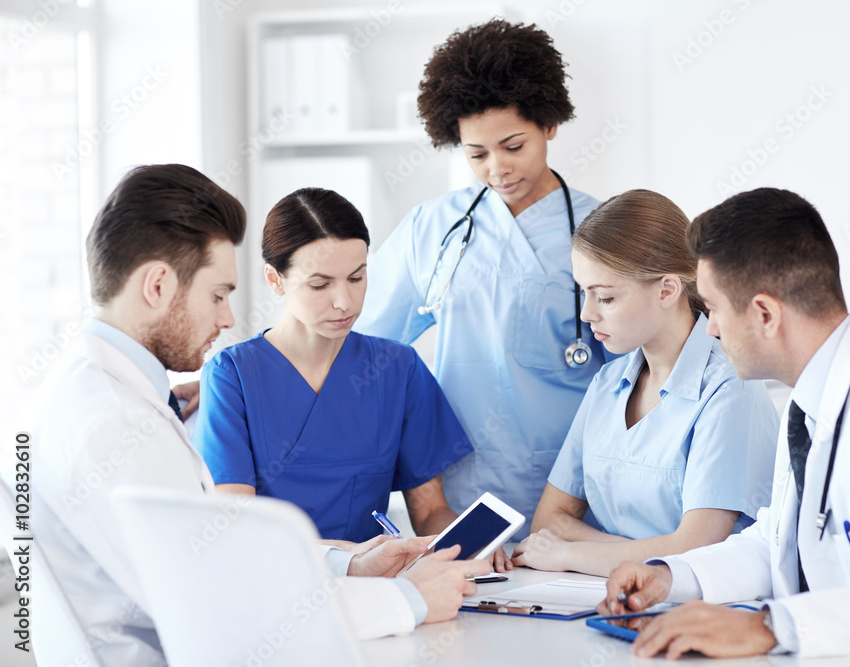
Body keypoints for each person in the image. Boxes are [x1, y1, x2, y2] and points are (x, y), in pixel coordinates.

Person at [12, 165, 489, 666]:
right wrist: (406, 600)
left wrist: (350, 561)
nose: (226, 319)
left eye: (356, 277)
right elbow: (219, 603)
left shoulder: (85, 393)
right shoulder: (116, 425)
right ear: (157, 285)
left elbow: (221, 564)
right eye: (218, 295)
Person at [599, 187, 850, 659]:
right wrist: (670, 576)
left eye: (714, 308)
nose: (710, 327)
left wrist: (771, 627)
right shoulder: (810, 398)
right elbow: (780, 544)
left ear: (765, 313)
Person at [353, 19, 612, 538]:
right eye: (476, 154)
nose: (498, 168)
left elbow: (640, 376)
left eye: (513, 145)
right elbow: (356, 334)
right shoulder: (433, 228)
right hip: (460, 493)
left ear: (549, 125)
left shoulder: (602, 231)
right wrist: (257, 373)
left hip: (575, 489)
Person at [191, 187, 508, 570]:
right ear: (275, 280)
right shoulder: (232, 376)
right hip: (271, 582)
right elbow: (236, 525)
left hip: (378, 588)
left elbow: (430, 513)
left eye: (356, 277)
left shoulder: (397, 368)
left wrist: (467, 541)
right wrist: (349, 557)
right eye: (320, 285)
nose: (345, 302)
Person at [510, 190, 778, 577]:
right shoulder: (607, 382)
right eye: (583, 293)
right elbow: (549, 521)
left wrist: (573, 553)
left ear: (667, 290)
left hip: (703, 611)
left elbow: (698, 550)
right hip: (604, 599)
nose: (587, 315)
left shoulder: (728, 389)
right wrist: (647, 551)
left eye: (605, 297)